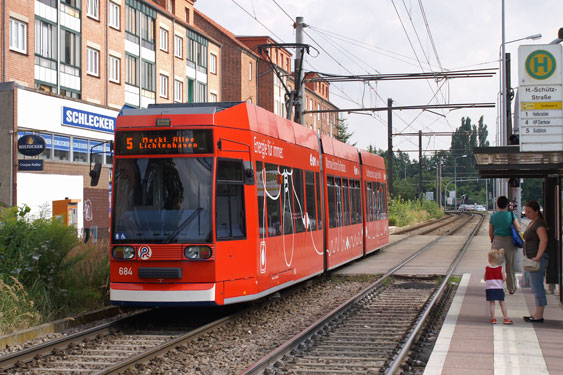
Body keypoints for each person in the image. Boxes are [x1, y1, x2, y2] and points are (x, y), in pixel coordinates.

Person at [523, 200, 549, 323]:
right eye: (526, 211)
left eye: (529, 211)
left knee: (537, 285)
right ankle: (537, 313)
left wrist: (538, 256)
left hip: (537, 259)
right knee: (535, 285)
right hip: (532, 258)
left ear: (536, 212)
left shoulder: (539, 224)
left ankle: (539, 315)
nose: (526, 214)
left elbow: (544, 240)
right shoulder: (533, 222)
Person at [489, 196, 521, 294]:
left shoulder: (493, 216)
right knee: (510, 266)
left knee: (498, 265)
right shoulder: (511, 215)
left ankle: (499, 288)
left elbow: (491, 232)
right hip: (510, 242)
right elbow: (518, 229)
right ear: (507, 205)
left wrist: (494, 241)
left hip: (497, 241)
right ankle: (511, 288)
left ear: (497, 204)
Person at [484, 248, 513, 324]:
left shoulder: (487, 268)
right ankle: (505, 318)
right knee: (502, 303)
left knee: (492, 303)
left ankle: (493, 318)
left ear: (489, 259)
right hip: (499, 288)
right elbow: (503, 278)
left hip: (490, 289)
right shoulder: (500, 269)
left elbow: (485, 278)